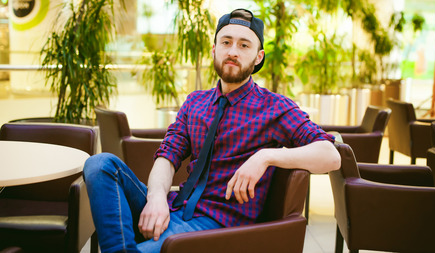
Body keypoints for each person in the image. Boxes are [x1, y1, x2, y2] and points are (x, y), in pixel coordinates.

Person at [83, 8, 341, 253]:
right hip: (174, 208)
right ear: (214, 49)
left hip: (216, 226)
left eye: (244, 45)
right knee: (100, 164)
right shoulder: (195, 102)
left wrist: (265, 157)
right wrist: (157, 198)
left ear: (258, 56)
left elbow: (330, 155)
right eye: (226, 42)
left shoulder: (274, 107)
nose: (233, 51)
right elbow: (167, 156)